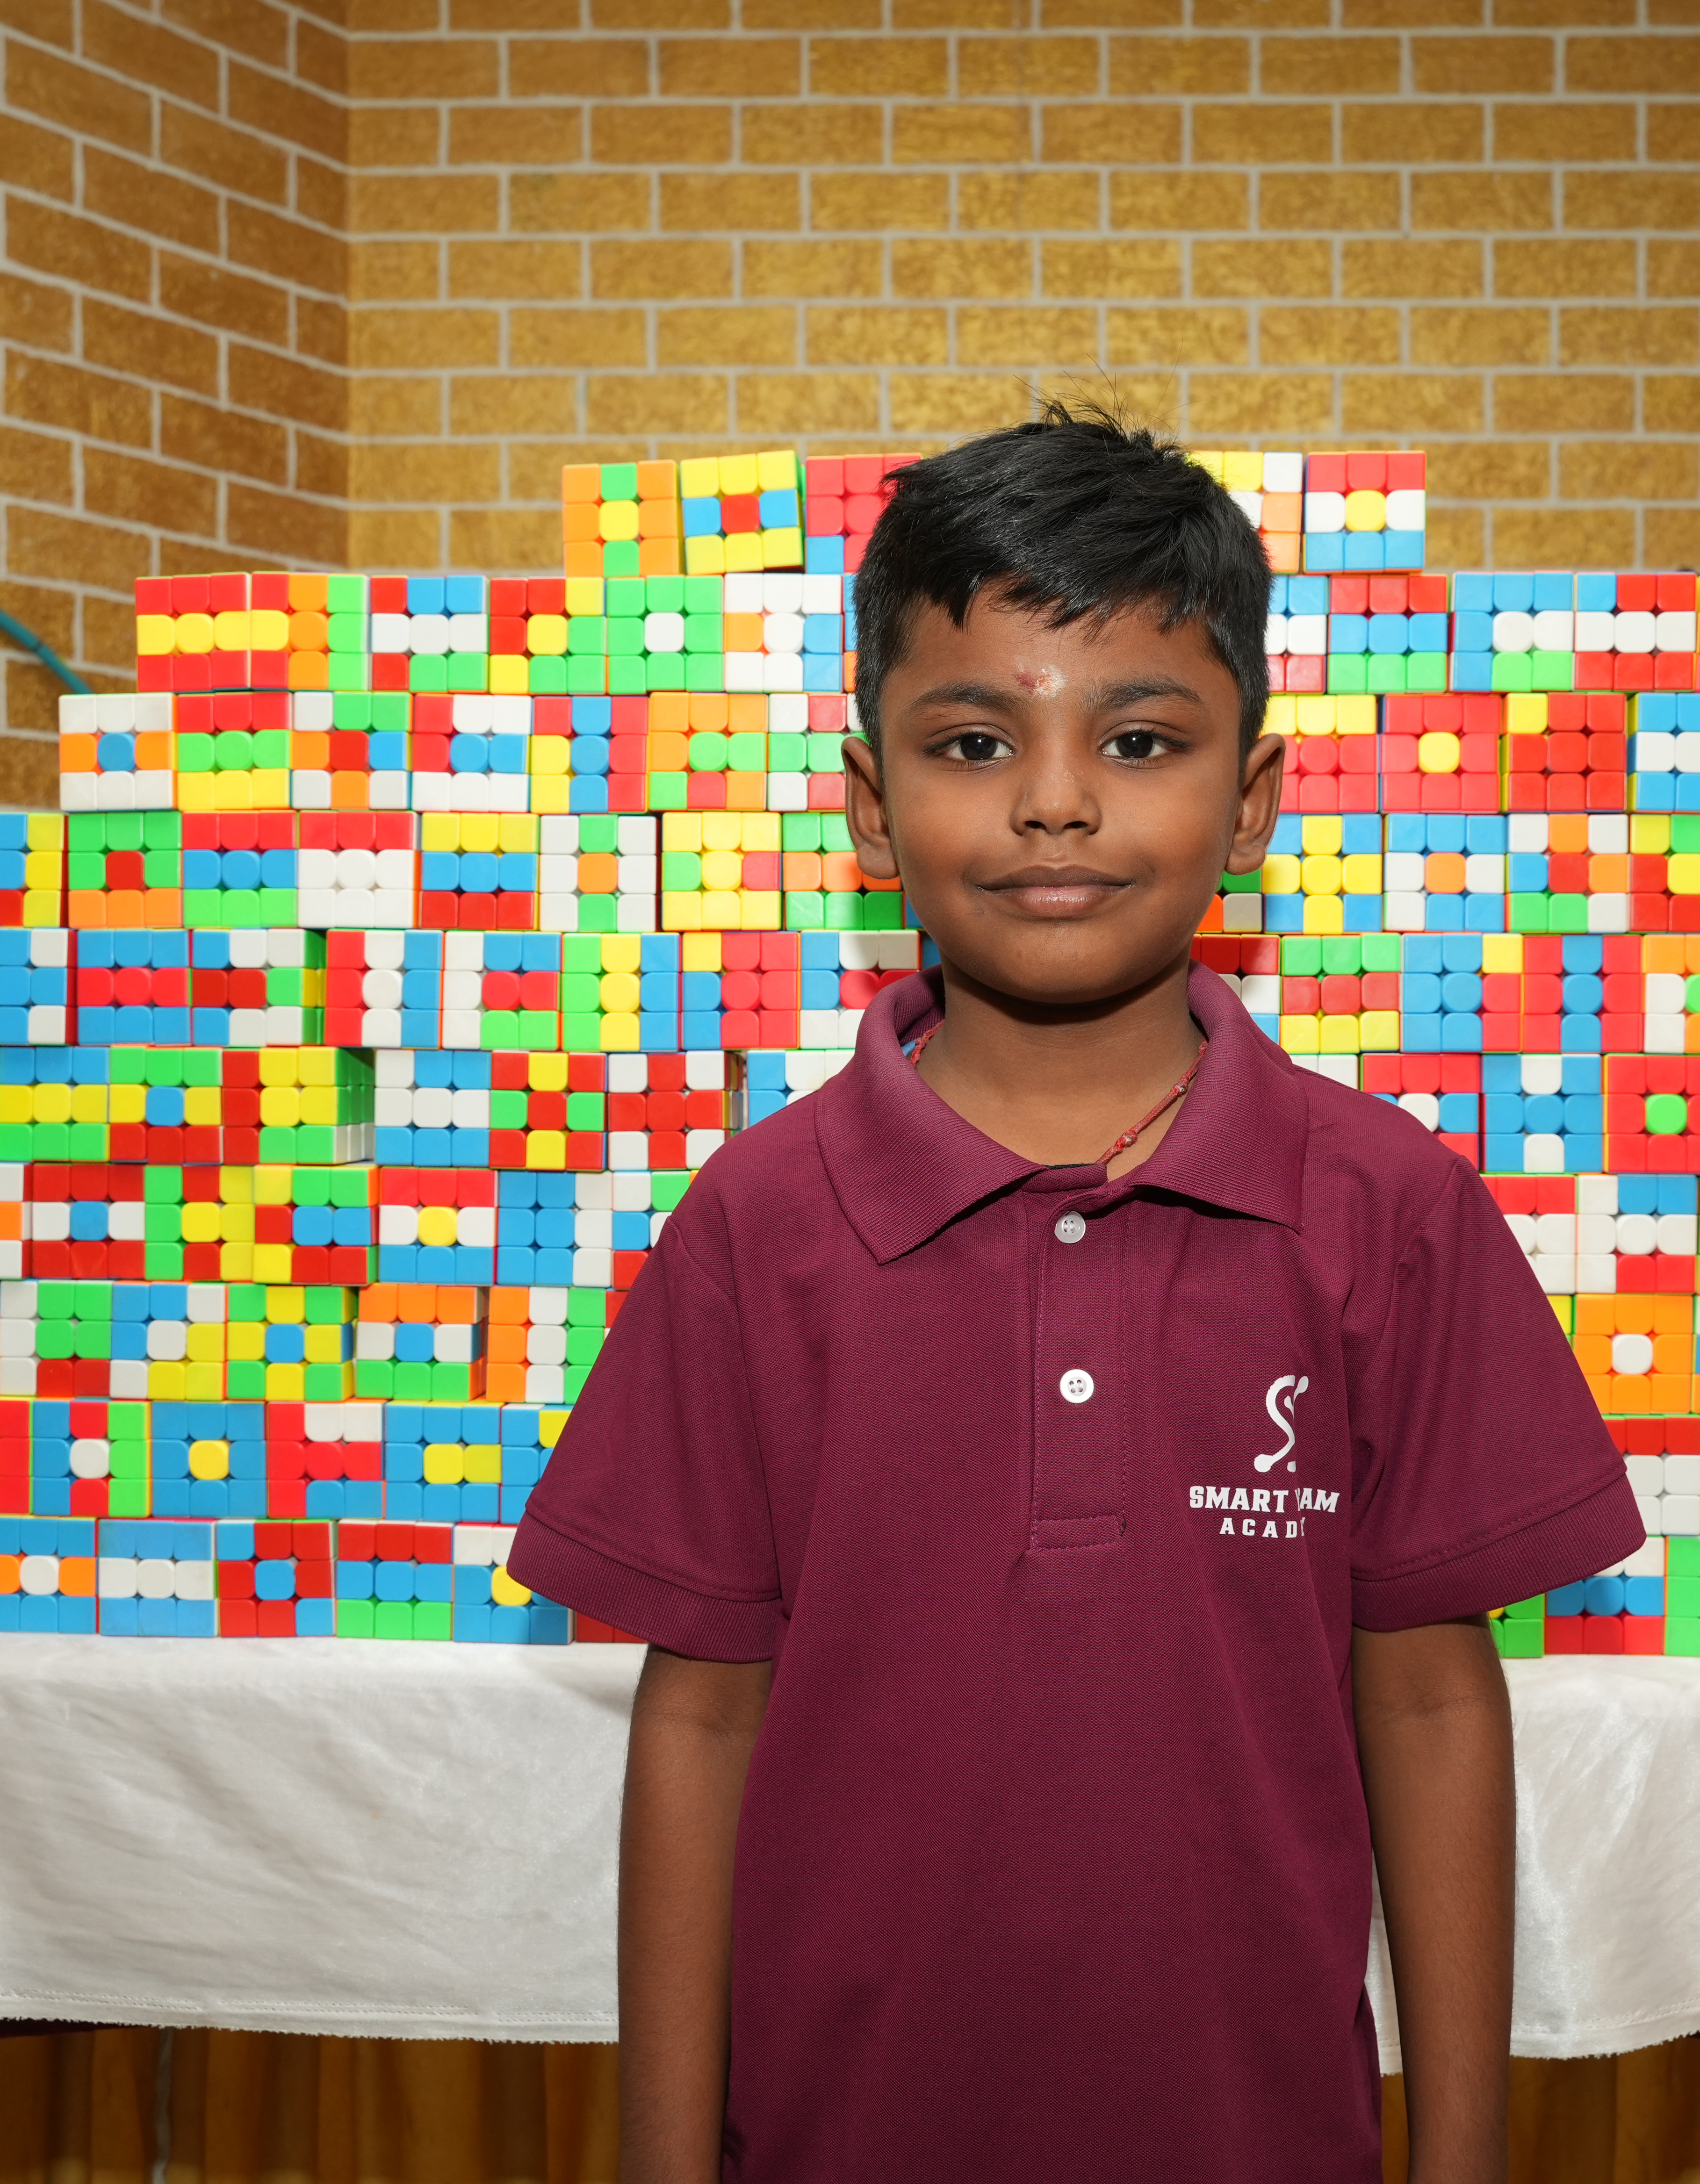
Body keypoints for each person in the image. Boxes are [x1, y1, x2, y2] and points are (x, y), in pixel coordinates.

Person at [505, 410, 1637, 2184]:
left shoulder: (1388, 1211)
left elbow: (1425, 1698)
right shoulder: (758, 1222)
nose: (1052, 798)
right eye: (973, 739)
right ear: (871, 807)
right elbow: (700, 1715)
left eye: (1135, 737)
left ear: (1250, 800)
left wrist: (1463, 2161)